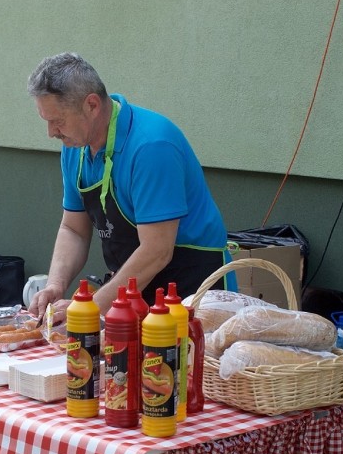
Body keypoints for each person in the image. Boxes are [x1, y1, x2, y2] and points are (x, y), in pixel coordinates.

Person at [26, 52, 235, 320]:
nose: (51, 132)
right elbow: (73, 229)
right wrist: (55, 285)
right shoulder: (74, 147)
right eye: (47, 121)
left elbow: (157, 250)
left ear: (91, 105)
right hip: (131, 291)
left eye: (58, 121)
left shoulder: (151, 146)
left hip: (191, 289)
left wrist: (91, 307)